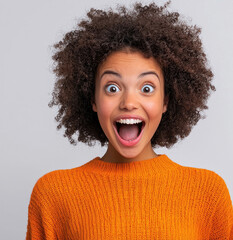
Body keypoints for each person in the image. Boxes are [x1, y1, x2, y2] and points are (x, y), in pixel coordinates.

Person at [26, 1, 233, 239]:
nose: (128, 102)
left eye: (146, 88)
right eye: (112, 88)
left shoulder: (207, 192)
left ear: (165, 101)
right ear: (92, 99)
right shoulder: (54, 193)